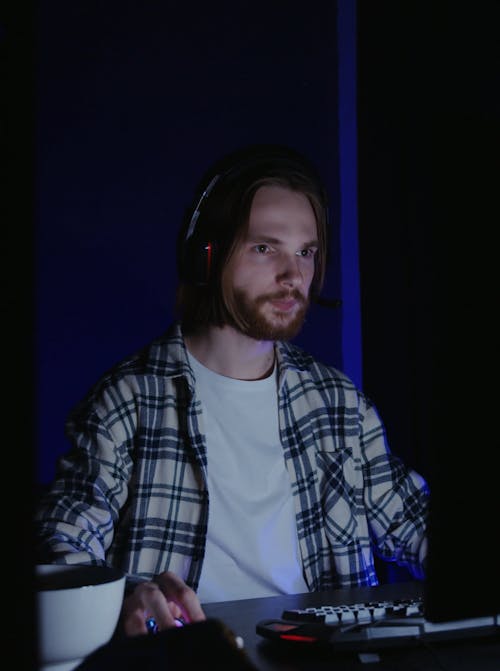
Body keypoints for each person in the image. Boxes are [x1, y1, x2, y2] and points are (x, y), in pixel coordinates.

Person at [35, 143, 429, 637]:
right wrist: (124, 595)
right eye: (266, 248)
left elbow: (413, 520)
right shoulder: (128, 401)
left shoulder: (338, 404)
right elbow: (62, 544)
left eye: (306, 252)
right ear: (207, 258)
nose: (294, 276)